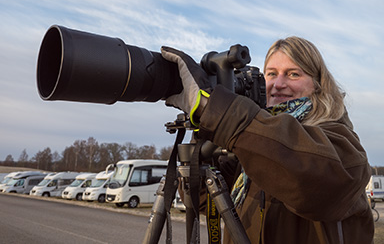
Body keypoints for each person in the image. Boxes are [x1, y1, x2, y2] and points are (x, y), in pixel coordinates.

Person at [160, 36, 374, 244]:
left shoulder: (340, 140)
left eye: (293, 74)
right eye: (271, 74)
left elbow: (309, 178)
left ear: (317, 85)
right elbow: (204, 200)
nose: (278, 84)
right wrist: (205, 127)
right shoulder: (252, 146)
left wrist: (218, 112)